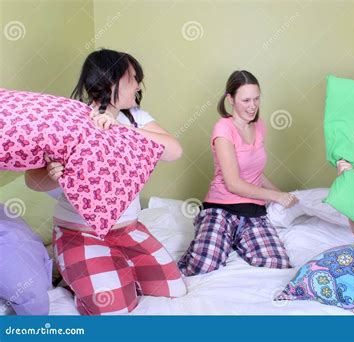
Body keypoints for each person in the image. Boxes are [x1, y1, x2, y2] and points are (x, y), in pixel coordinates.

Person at [25, 49, 186, 315]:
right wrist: (51, 173)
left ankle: (101, 270)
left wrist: (120, 129)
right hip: (80, 233)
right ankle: (75, 275)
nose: (138, 85)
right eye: (133, 78)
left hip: (128, 229)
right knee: (114, 310)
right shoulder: (70, 119)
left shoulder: (136, 118)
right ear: (111, 81)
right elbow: (33, 182)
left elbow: (174, 150)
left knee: (174, 289)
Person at [178, 70, 298, 276]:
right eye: (246, 100)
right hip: (221, 208)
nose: (253, 106)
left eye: (257, 98)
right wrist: (276, 196)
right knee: (203, 266)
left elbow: (256, 173)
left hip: (253, 212)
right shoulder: (223, 129)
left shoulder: (259, 126)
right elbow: (233, 183)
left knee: (278, 263)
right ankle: (213, 231)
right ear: (230, 99)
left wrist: (284, 196)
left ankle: (233, 239)